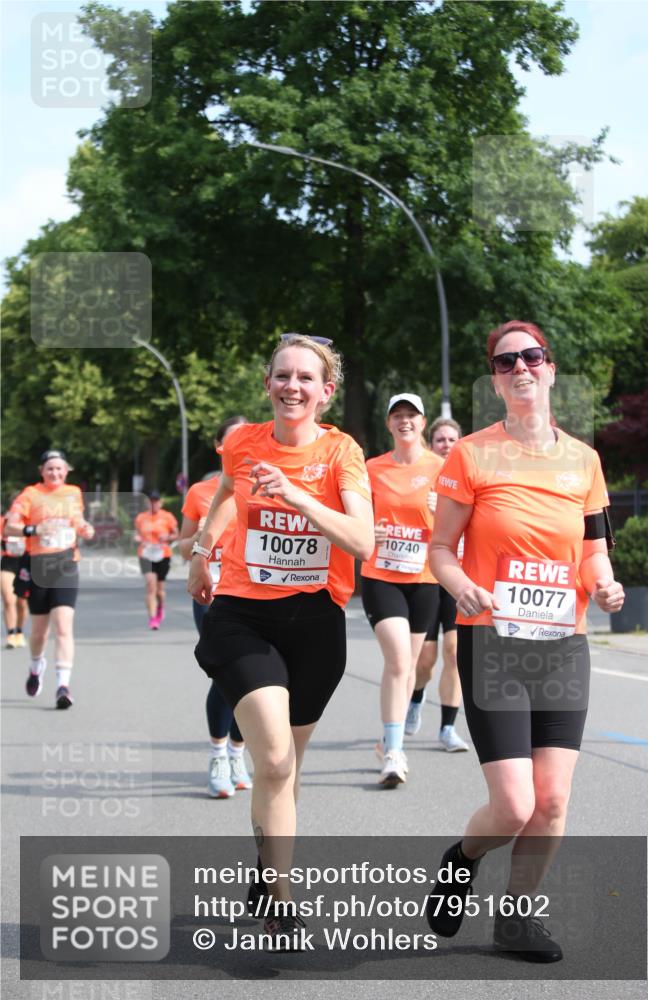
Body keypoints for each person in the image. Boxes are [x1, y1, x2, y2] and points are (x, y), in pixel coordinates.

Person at [427, 320, 625, 962]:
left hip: (561, 646)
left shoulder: (585, 461)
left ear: (551, 367)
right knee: (513, 806)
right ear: (494, 377)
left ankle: (516, 919)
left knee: (553, 799)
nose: (521, 368)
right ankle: (463, 859)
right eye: (506, 361)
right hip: (493, 641)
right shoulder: (472, 454)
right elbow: (440, 550)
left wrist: (605, 585)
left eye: (531, 356)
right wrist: (461, 587)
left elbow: (594, 548)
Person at [189, 333, 374, 947]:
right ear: (268, 382)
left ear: (326, 391)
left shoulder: (343, 452)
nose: (292, 386)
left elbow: (361, 541)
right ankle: (284, 902)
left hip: (316, 623)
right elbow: (224, 494)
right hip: (244, 615)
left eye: (306, 378)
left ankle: (267, 870)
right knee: (271, 760)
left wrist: (297, 495)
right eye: (282, 375)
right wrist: (200, 551)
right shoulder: (242, 443)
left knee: (286, 773)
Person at [360, 393, 442, 787]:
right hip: (381, 574)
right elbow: (351, 514)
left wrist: (442, 508)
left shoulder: (442, 468)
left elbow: (464, 524)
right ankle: (394, 751)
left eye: (412, 415)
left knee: (411, 666)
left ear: (423, 423)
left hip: (424, 579)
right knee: (397, 662)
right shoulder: (372, 468)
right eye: (398, 416)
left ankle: (387, 741)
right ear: (389, 424)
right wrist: (366, 529)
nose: (405, 421)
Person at [180, 415, 252, 799]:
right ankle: (217, 754)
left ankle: (238, 753)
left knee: (252, 681)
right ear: (220, 446)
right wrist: (202, 546)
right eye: (233, 438)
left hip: (254, 589)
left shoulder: (266, 482)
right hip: (213, 590)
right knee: (226, 674)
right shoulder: (201, 491)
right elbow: (181, 544)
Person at [5, 449, 95, 708]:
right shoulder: (30, 495)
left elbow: (77, 521)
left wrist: (85, 528)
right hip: (38, 566)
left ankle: (62, 686)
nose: (55, 473)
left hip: (66, 564)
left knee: (64, 626)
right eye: (50, 469)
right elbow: (10, 526)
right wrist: (33, 529)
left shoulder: (73, 493)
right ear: (41, 472)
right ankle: (36, 666)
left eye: (59, 468)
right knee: (39, 632)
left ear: (67, 470)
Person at [406, 417, 469, 752]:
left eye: (452, 439)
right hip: (428, 575)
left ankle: (447, 728)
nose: (446, 444)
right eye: (440, 440)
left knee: (455, 653)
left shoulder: (471, 477)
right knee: (426, 659)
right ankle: (416, 695)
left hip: (460, 577)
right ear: (432, 445)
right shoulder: (422, 478)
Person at [134, 491, 179, 630]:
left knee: (160, 590)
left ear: (161, 502)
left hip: (162, 554)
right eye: (151, 501)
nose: (154, 504)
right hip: (146, 554)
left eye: (156, 501)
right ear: (148, 503)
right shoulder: (141, 517)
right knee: (150, 586)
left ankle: (160, 607)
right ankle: (153, 618)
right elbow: (136, 533)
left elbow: (176, 534)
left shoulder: (167, 517)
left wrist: (167, 537)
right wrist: (137, 538)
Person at [1, 509, 28, 648]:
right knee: (8, 599)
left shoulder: (28, 523)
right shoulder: (3, 523)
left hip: (25, 563)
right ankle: (10, 635)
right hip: (8, 563)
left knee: (22, 603)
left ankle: (19, 632)